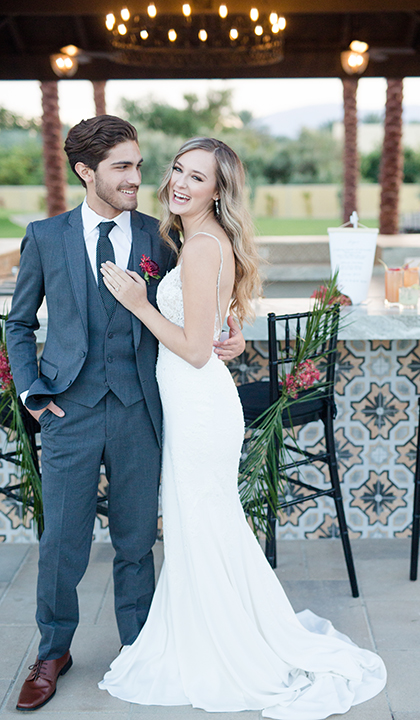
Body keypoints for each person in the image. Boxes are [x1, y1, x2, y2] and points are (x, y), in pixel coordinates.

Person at [98, 137, 387, 719]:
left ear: (217, 190)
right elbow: (216, 331)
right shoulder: (197, 239)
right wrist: (227, 334)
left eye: (196, 177)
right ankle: (210, 630)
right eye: (178, 169)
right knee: (199, 522)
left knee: (201, 521)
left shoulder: (203, 246)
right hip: (191, 402)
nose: (179, 183)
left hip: (198, 402)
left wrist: (137, 302)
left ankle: (222, 645)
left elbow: (196, 351)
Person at [6, 116, 245, 712]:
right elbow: (18, 323)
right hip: (69, 411)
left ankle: (140, 647)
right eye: (122, 167)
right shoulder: (44, 236)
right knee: (62, 540)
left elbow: (201, 299)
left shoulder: (162, 236)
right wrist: (35, 393)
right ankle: (53, 650)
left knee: (137, 540)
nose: (138, 178)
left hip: (144, 408)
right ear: (86, 171)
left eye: (140, 165)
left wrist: (229, 326)